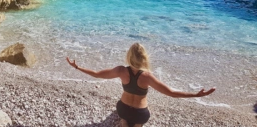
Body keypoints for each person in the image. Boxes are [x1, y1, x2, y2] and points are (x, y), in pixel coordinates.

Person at [66, 42, 215, 127]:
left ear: (129, 56)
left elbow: (97, 74)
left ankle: (124, 122)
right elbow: (171, 93)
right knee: (138, 120)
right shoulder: (147, 77)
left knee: (124, 118)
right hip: (140, 114)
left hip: (123, 109)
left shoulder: (120, 70)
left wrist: (77, 67)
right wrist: (196, 94)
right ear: (144, 58)